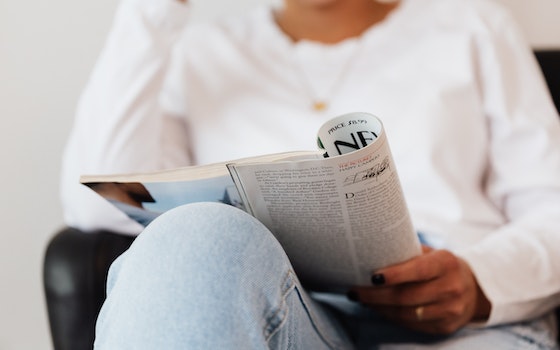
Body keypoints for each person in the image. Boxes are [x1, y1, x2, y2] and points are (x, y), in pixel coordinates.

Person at [60, 0, 560, 348]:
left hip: (461, 328)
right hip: (288, 319)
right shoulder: (198, 52)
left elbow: (552, 205)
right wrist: (156, 7)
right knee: (193, 236)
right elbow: (95, 203)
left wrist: (477, 283)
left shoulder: (474, 26)